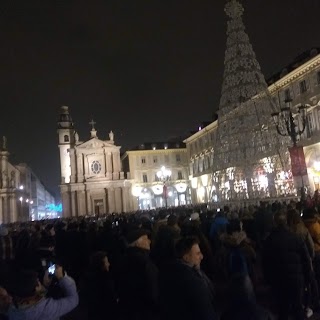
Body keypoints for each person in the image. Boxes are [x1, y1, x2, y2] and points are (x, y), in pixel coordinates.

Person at [263, 211, 312, 320]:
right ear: (286, 222)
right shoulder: (295, 238)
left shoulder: (269, 240)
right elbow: (306, 259)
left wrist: (268, 280)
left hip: (278, 279)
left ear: (274, 223)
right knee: (298, 308)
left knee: (282, 310)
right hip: (296, 278)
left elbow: (265, 263)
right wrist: (307, 278)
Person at [160, 237, 217, 320]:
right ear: (186, 257)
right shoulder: (193, 281)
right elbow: (206, 313)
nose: (202, 256)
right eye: (198, 253)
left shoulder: (168, 271)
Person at [7, 265, 78, 320]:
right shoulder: (47, 309)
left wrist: (45, 287)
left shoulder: (12, 310)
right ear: (36, 287)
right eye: (38, 281)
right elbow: (73, 300)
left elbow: (31, 299)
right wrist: (62, 277)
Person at [117, 228, 158, 320]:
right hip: (145, 310)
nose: (149, 241)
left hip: (129, 309)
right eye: (146, 239)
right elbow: (153, 290)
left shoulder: (123, 259)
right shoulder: (144, 263)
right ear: (138, 243)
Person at [83, 251, 117, 320]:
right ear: (101, 265)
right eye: (107, 262)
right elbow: (111, 301)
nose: (109, 264)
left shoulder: (87, 279)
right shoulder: (105, 280)